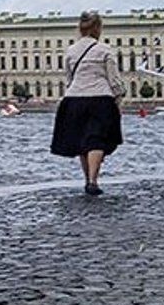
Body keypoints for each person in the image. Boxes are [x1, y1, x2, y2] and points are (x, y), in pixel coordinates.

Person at [50, 11, 125, 196]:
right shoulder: (105, 50)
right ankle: (93, 180)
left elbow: (69, 78)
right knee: (96, 140)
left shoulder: (71, 50)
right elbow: (114, 80)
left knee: (83, 142)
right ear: (98, 28)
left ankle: (87, 180)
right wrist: (119, 98)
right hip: (100, 99)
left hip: (73, 100)